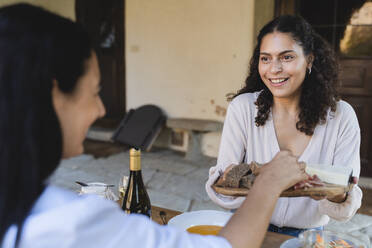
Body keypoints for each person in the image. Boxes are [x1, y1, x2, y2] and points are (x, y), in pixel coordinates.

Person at [0, 4, 308, 248]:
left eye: (286, 57)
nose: (101, 109)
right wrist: (268, 184)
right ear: (54, 94)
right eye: (94, 92)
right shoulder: (67, 221)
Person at [206, 15, 363, 237]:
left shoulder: (341, 117)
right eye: (266, 58)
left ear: (309, 60)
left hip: (307, 237)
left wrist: (335, 194)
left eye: (286, 57)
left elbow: (345, 201)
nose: (274, 69)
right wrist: (248, 176)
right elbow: (224, 189)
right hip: (248, 229)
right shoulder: (243, 109)